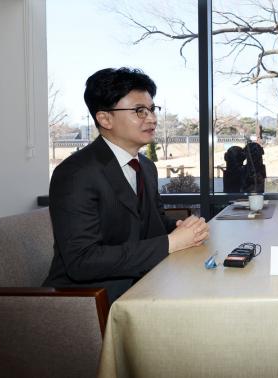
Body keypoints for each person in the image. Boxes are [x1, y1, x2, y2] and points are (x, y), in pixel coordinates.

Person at [43, 67, 209, 303]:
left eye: (152, 109)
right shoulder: (75, 173)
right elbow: (82, 261)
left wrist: (182, 228)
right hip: (90, 301)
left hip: (146, 283)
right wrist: (171, 242)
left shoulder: (146, 166)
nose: (151, 118)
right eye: (139, 111)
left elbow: (152, 224)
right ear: (104, 118)